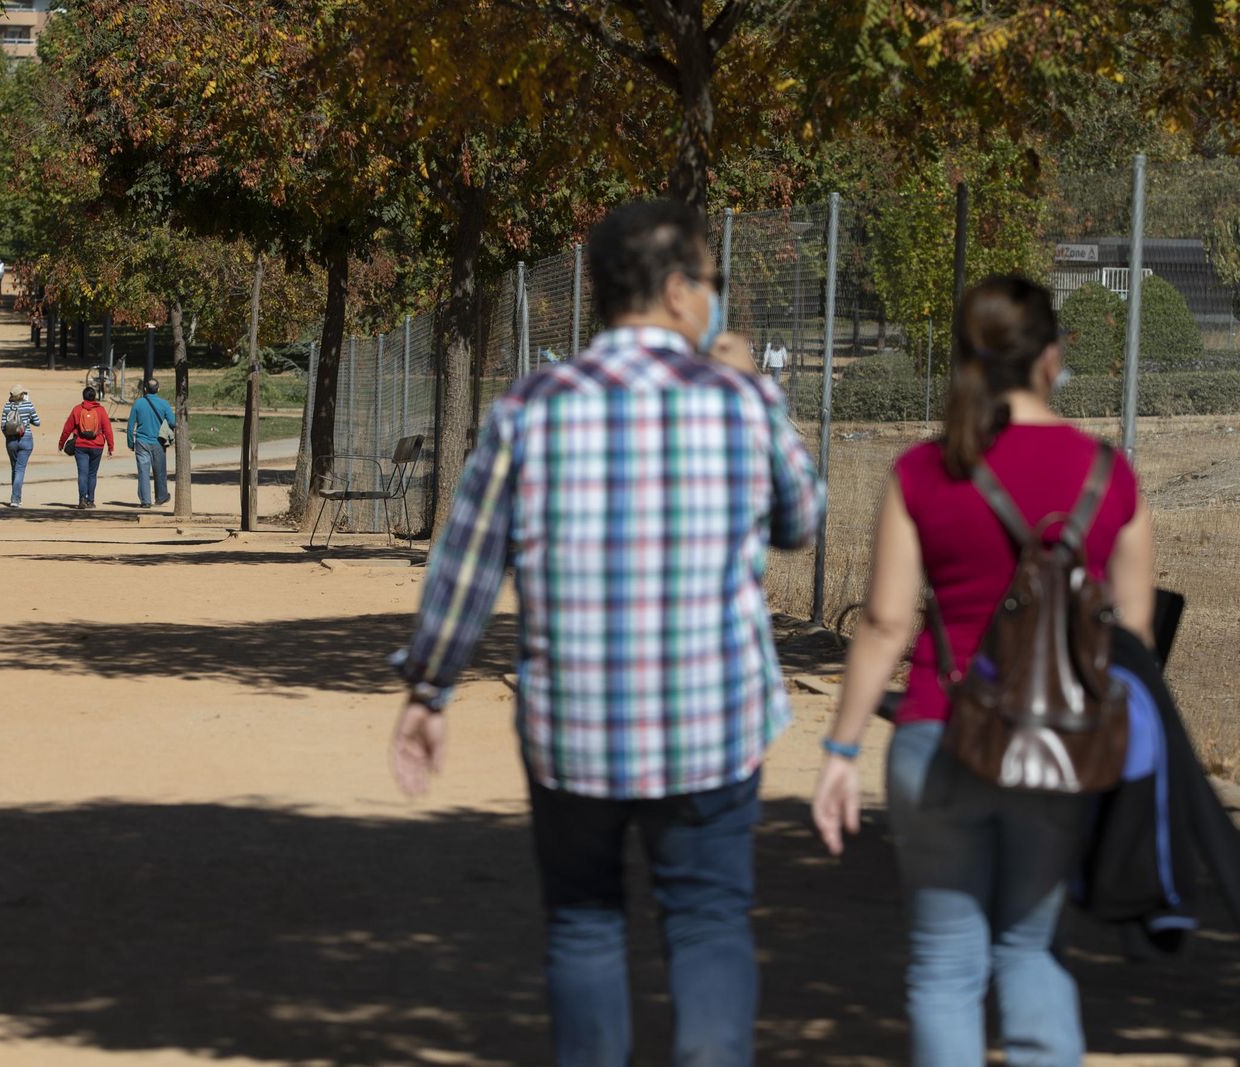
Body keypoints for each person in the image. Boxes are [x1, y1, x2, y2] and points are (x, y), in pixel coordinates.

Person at [389, 200, 825, 1067]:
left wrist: (429, 687)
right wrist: (764, 398)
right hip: (712, 722)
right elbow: (801, 518)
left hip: (575, 726)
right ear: (673, 290)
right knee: (707, 922)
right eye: (710, 283)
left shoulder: (532, 408)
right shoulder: (739, 400)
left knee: (584, 924)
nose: (714, 301)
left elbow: (468, 564)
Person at [810, 275, 1154, 1067]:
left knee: (945, 967)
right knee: (1032, 950)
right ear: (1052, 360)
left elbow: (888, 622)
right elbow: (1132, 631)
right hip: (1063, 744)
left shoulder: (925, 471)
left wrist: (841, 748)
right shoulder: (1110, 474)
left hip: (939, 733)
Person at [58, 386, 114, 509]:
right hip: (97, 445)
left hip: (81, 445)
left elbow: (67, 429)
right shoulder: (101, 411)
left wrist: (61, 444)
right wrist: (110, 447)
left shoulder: (77, 410)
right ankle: (91, 500)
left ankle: (82, 499)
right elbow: (108, 430)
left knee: (82, 473)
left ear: (83, 397)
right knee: (92, 474)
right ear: (95, 397)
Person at [126, 377, 177, 508]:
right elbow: (172, 422)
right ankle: (161, 497)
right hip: (158, 441)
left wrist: (131, 442)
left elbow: (131, 425)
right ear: (158, 389)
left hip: (142, 441)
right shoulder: (164, 403)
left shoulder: (138, 403)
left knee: (143, 472)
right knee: (159, 470)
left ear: (144, 389)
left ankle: (145, 501)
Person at [0, 385, 40, 508]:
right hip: (26, 440)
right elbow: (37, 422)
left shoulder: (7, 406)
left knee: (15, 468)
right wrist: (28, 419)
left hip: (11, 441)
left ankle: (16, 497)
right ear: (22, 395)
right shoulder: (28, 405)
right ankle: (15, 498)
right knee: (20, 469)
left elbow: (2, 426)